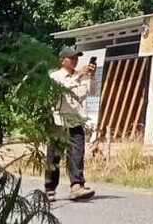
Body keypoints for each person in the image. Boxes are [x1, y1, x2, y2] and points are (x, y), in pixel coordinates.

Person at [45, 46, 96, 202]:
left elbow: (91, 92)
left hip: (76, 119)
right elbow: (59, 91)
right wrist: (78, 75)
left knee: (77, 154)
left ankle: (76, 186)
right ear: (62, 60)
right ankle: (50, 188)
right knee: (54, 156)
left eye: (77, 58)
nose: (75, 60)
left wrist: (91, 77)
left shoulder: (83, 75)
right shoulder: (55, 76)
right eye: (71, 58)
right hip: (58, 120)